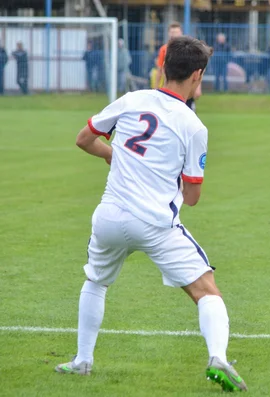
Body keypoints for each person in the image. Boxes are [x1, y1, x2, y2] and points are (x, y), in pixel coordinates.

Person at [54, 36, 248, 392]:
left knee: (96, 281)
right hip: (156, 224)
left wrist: (112, 155)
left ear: (163, 68)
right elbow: (191, 198)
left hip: (110, 216)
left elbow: (84, 139)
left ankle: (82, 360)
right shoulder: (193, 126)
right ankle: (218, 357)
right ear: (197, 75)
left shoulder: (132, 99)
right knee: (207, 291)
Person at [155, 22, 200, 111]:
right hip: (170, 88)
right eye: (172, 32)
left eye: (176, 32)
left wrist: (198, 87)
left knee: (188, 112)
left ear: (181, 33)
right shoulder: (164, 50)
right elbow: (160, 70)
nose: (174, 35)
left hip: (186, 86)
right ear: (168, 34)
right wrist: (156, 87)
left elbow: (196, 68)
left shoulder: (189, 49)